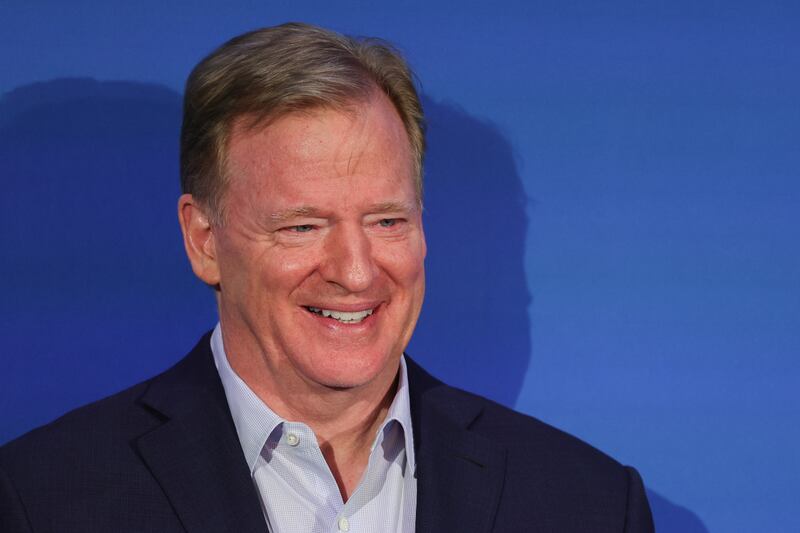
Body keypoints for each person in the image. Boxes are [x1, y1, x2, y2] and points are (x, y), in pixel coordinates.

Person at [0, 22, 654, 532]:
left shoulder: (587, 503)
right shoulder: (48, 498)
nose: (355, 269)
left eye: (387, 220)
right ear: (204, 241)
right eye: (303, 225)